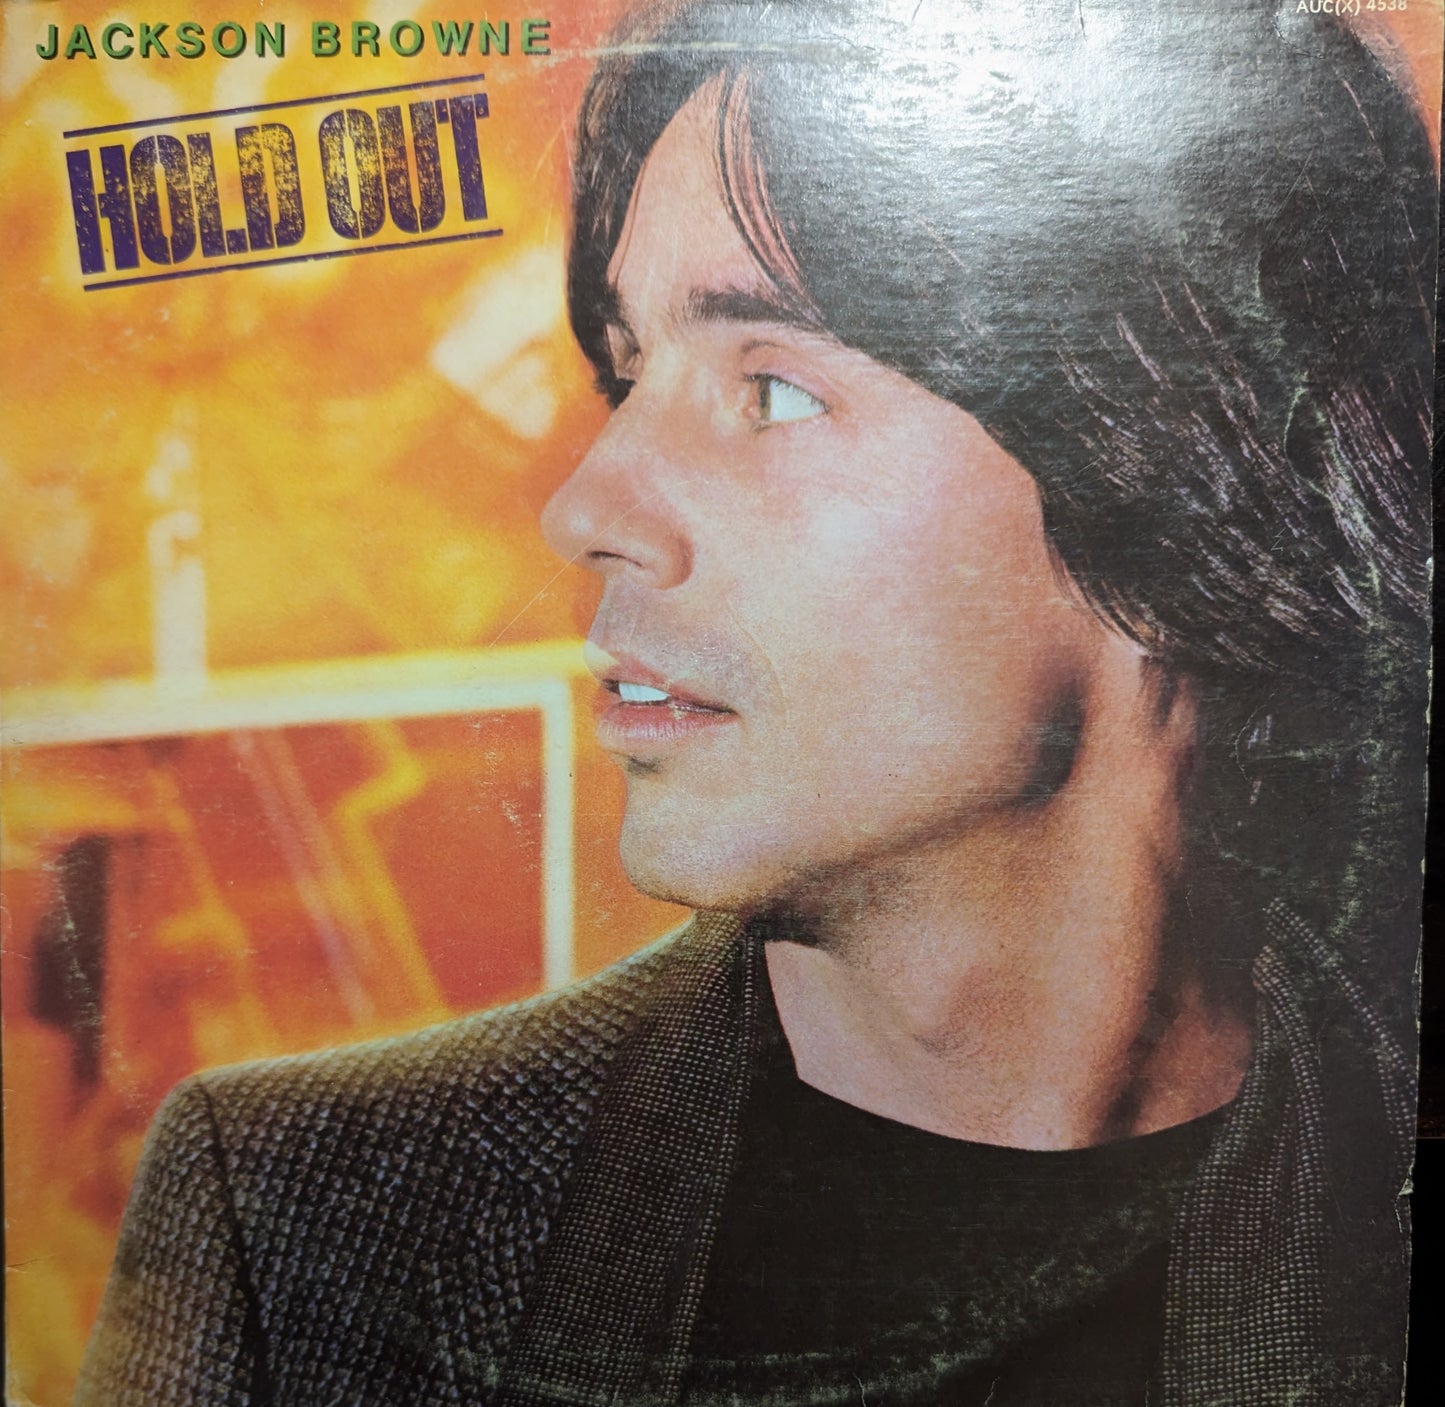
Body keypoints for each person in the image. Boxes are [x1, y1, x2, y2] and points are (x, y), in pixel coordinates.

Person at [76, 2, 1434, 1403]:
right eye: (626, 372)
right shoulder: (305, 1232)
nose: (588, 507)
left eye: (773, 391)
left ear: (1182, 492)